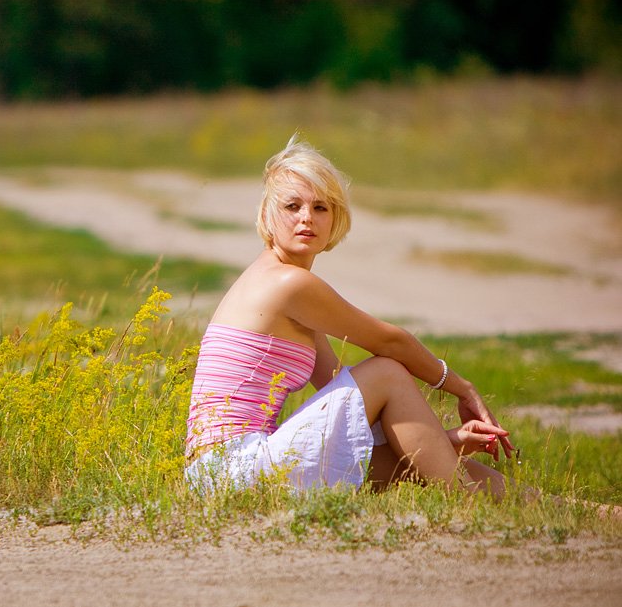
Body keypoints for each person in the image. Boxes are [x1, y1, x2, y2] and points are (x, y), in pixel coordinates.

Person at [184, 134, 516, 497]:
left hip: (217, 476)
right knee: (387, 371)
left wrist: (444, 439)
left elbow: (343, 395)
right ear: (267, 214)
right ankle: (467, 505)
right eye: (292, 206)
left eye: (320, 208)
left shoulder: (279, 284)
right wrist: (463, 388)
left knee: (415, 461)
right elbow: (390, 341)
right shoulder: (288, 284)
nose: (306, 218)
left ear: (335, 218)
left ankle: (543, 505)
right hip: (234, 468)